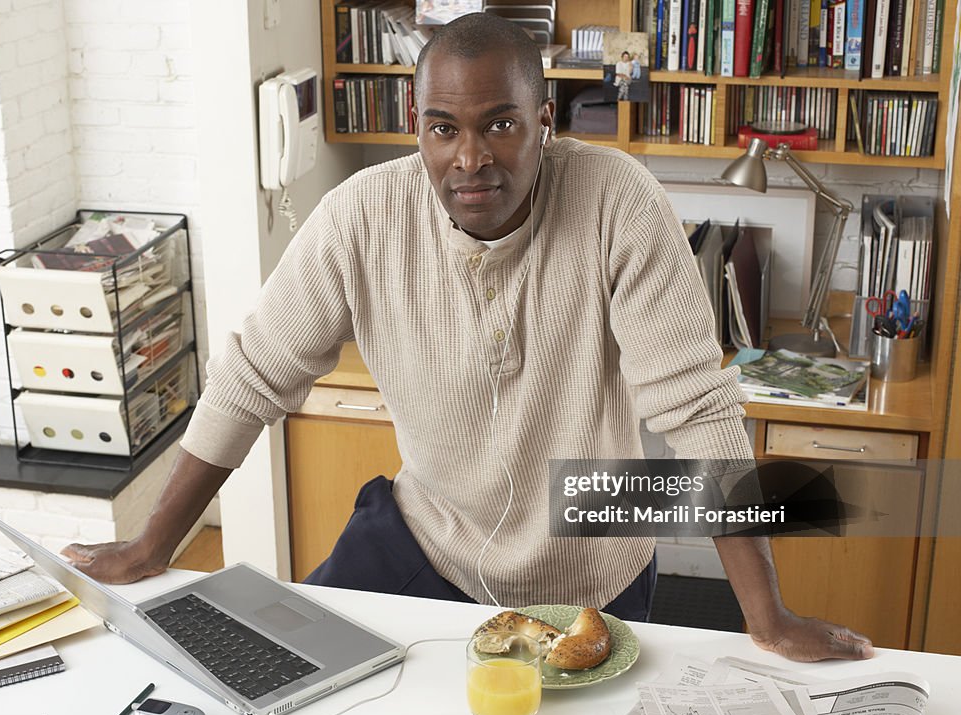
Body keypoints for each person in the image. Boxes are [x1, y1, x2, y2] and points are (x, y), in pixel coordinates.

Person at [62, 13, 873, 663]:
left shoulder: (619, 202)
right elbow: (252, 377)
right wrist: (148, 545)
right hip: (425, 539)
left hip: (590, 565)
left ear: (545, 122)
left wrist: (766, 617)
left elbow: (698, 409)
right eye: (443, 128)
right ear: (417, 126)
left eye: (500, 125)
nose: (470, 158)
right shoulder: (360, 215)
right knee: (288, 684)